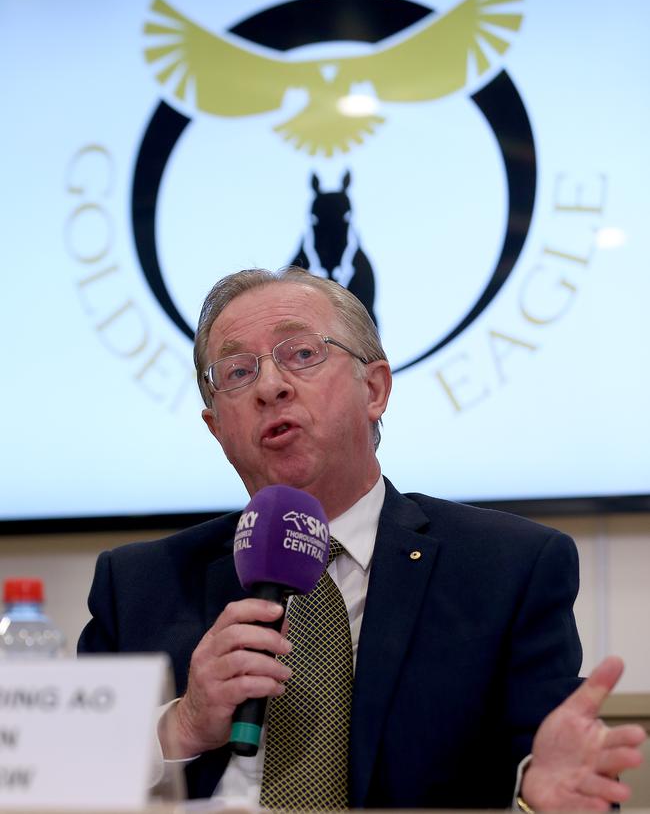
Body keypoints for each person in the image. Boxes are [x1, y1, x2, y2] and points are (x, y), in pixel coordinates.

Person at [78, 266, 646, 809]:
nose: (270, 387)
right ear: (217, 428)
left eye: (301, 354)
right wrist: (179, 726)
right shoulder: (136, 585)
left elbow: (557, 777)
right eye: (238, 372)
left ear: (374, 389)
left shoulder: (508, 568)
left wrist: (539, 802)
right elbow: (55, 783)